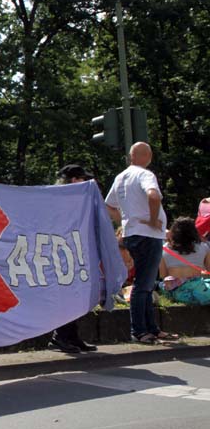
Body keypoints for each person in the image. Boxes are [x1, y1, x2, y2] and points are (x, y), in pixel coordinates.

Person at [104, 142, 176, 344]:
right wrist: (153, 221)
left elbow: (109, 205)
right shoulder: (145, 175)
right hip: (148, 234)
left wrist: (125, 221)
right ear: (148, 156)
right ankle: (140, 330)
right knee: (143, 284)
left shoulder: (120, 177)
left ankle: (151, 328)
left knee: (145, 282)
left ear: (130, 156)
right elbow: (153, 196)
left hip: (132, 234)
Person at [46, 164, 99, 353]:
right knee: (65, 296)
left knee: (75, 295)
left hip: (73, 251)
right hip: (61, 252)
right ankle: (60, 336)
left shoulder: (69, 199)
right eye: (83, 178)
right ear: (75, 180)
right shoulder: (59, 199)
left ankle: (72, 336)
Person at [158, 216, 210, 305]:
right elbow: (208, 271)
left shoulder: (164, 249)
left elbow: (163, 275)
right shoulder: (204, 247)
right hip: (200, 292)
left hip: (176, 293)